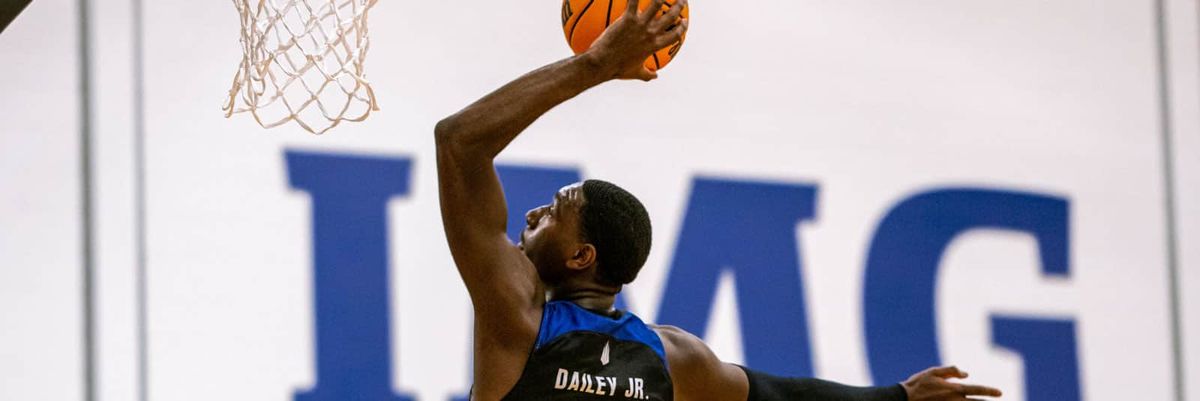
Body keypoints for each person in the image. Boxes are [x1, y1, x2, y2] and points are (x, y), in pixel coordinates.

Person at [434, 1, 1005, 399]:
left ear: (583, 255)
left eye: (554, 211)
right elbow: (782, 394)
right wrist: (895, 399)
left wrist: (595, 66)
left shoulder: (518, 320)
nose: (532, 214)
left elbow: (460, 142)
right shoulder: (669, 358)